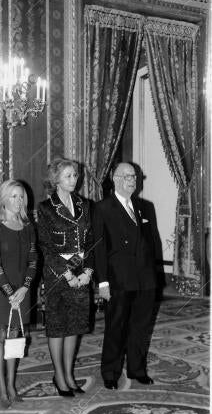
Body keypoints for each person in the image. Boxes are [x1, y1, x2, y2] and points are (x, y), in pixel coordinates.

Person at [93, 162, 157, 390]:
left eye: (135, 176)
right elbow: (99, 249)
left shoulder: (145, 207)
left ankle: (137, 369)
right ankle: (110, 372)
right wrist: (102, 281)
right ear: (115, 178)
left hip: (145, 279)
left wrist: (155, 276)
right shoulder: (103, 208)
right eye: (128, 176)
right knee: (116, 327)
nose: (133, 180)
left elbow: (153, 244)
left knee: (140, 327)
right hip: (119, 279)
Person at [37, 158, 94, 397]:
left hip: (82, 273)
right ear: (56, 179)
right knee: (58, 326)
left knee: (75, 325)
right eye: (69, 176)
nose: (74, 179)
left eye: (75, 175)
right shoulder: (46, 207)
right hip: (58, 274)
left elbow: (91, 240)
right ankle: (59, 376)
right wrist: (67, 273)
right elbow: (46, 246)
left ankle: (69, 374)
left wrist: (88, 271)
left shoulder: (85, 204)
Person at [0, 180, 37, 408]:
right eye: (14, 196)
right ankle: (2, 387)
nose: (19, 201)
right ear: (3, 199)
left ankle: (12, 384)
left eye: (21, 196)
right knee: (1, 337)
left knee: (15, 337)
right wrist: (9, 292)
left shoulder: (28, 226)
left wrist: (24, 288)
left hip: (22, 291)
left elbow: (34, 260)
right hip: (0, 291)